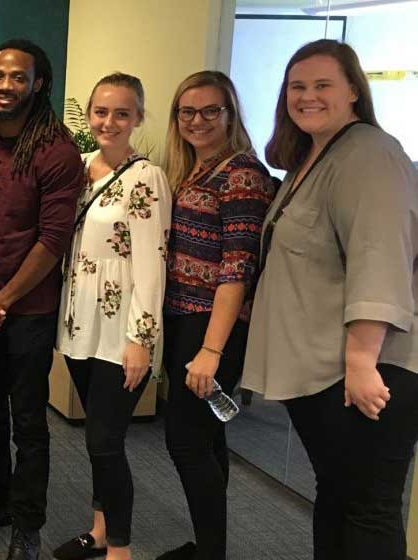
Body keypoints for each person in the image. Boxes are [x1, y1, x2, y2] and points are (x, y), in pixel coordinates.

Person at [243, 39, 418, 560]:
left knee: (367, 508)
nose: (307, 96)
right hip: (320, 370)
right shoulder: (313, 157)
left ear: (353, 93)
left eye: (323, 85)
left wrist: (362, 361)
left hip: (364, 372)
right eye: (298, 86)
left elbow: (379, 254)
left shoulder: (369, 152)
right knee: (339, 496)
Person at [0, 39, 83, 560]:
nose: (5, 86)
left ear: (39, 83)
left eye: (18, 77)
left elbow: (53, 241)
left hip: (28, 310)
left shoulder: (56, 149)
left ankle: (27, 524)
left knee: (29, 421)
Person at [154, 71, 274, 560]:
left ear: (230, 114)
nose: (197, 120)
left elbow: (237, 268)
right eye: (188, 111)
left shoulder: (242, 173)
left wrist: (210, 350)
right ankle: (209, 546)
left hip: (212, 325)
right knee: (206, 437)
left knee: (185, 441)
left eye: (210, 111)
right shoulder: (194, 170)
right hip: (186, 317)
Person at [53, 73, 171, 560]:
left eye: (122, 113)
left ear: (138, 117)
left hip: (122, 332)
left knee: (106, 441)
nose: (108, 121)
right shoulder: (78, 169)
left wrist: (141, 339)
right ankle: (99, 530)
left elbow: (151, 261)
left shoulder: (146, 178)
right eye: (101, 111)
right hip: (80, 327)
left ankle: (120, 550)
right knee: (95, 443)